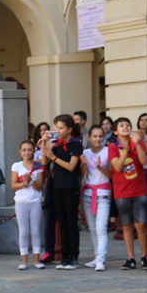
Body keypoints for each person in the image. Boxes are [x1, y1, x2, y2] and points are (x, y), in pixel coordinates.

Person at [40, 114, 83, 269]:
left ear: (69, 129)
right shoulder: (55, 144)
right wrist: (45, 145)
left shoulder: (76, 144)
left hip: (71, 186)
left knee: (71, 222)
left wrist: (54, 157)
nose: (56, 130)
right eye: (56, 127)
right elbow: (45, 162)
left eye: (60, 128)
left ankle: (73, 256)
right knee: (62, 223)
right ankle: (64, 257)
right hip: (56, 186)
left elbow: (72, 166)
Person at [110, 117, 147, 270]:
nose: (125, 127)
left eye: (128, 125)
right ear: (116, 131)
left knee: (141, 224)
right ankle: (130, 258)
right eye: (121, 126)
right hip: (122, 192)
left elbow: (143, 161)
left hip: (140, 189)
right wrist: (125, 150)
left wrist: (136, 143)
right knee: (127, 225)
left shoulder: (138, 142)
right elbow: (118, 167)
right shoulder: (113, 146)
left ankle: (144, 256)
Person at [81, 125, 112, 272]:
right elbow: (81, 175)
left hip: (103, 193)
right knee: (92, 228)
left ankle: (101, 258)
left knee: (101, 228)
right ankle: (96, 256)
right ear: (89, 138)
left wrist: (100, 167)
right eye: (95, 136)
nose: (98, 139)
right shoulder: (85, 153)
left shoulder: (107, 151)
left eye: (100, 136)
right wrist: (83, 164)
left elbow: (112, 174)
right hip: (88, 194)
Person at [11, 139, 45, 270]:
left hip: (35, 201)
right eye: (24, 150)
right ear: (20, 152)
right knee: (23, 231)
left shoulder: (38, 167)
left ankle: (36, 260)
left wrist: (31, 181)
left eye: (29, 150)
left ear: (34, 151)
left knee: (36, 231)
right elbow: (14, 185)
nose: (27, 152)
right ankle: (24, 261)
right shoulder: (16, 166)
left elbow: (40, 186)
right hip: (21, 202)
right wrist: (24, 183)